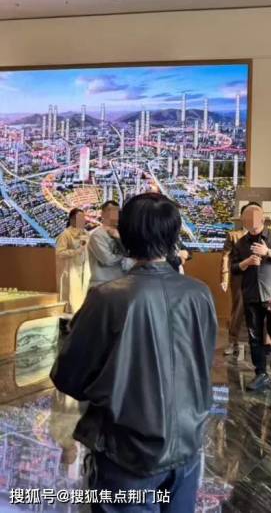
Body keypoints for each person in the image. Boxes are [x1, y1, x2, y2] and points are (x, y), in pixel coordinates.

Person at [51, 192, 218, 513]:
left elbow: (68, 376)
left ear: (125, 236)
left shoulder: (108, 298)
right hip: (187, 445)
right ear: (173, 236)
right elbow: (201, 360)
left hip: (124, 453)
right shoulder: (200, 294)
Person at [230, 202, 271, 391]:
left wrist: (267, 252)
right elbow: (233, 268)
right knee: (254, 336)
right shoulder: (240, 243)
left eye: (254, 216)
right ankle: (260, 373)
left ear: (263, 218)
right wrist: (245, 263)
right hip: (251, 294)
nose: (251, 221)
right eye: (247, 217)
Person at [87, 200, 134, 289]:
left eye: (117, 212)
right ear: (102, 214)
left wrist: (119, 240)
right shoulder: (97, 235)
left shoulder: (122, 233)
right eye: (110, 211)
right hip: (102, 284)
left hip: (121, 282)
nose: (114, 215)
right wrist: (124, 256)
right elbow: (107, 260)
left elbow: (132, 257)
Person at [221, 211, 249, 357]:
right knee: (238, 309)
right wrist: (224, 278)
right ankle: (233, 342)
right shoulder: (233, 235)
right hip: (239, 277)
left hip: (259, 279)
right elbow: (225, 257)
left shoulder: (263, 235)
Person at [55, 208, 90, 313]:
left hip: (84, 269)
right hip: (70, 271)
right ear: (72, 219)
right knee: (72, 300)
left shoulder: (85, 233)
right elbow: (59, 253)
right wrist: (75, 252)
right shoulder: (65, 234)